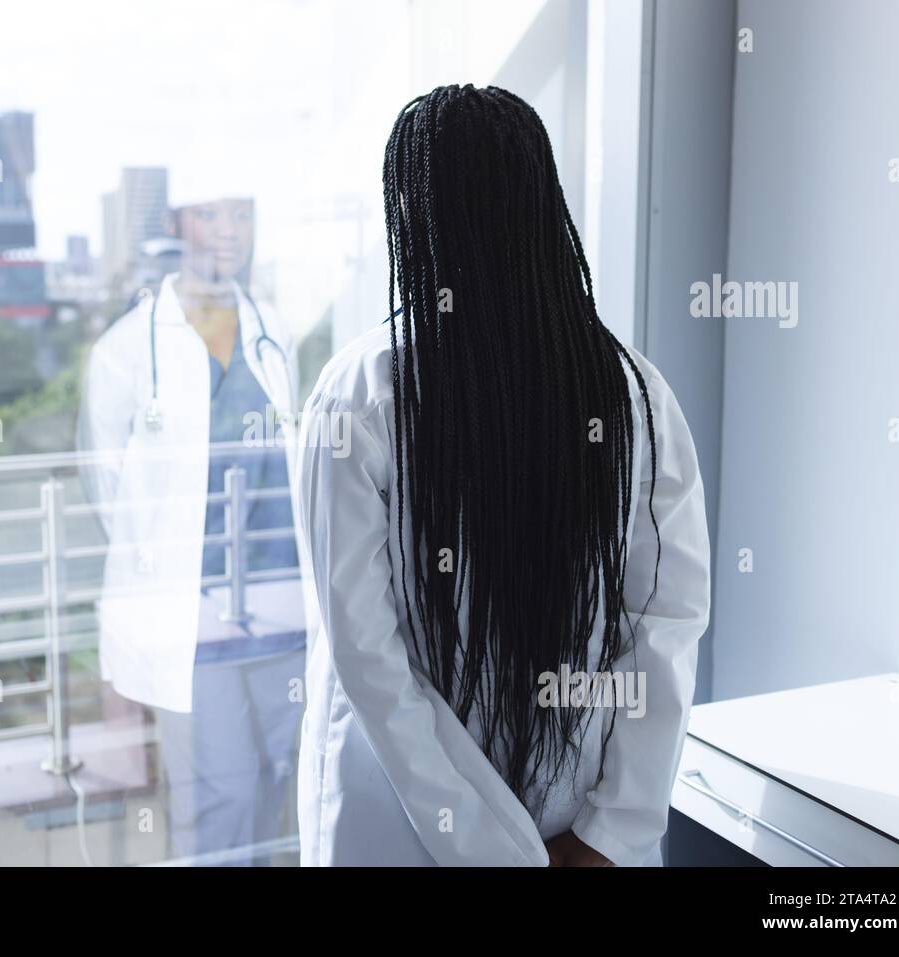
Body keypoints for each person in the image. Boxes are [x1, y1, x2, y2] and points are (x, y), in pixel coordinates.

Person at [293, 85, 712, 867]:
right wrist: (609, 831)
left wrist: (491, 850)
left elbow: (367, 656)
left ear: (410, 216)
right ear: (542, 205)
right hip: (580, 821)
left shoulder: (362, 392)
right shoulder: (632, 391)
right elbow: (669, 622)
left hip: (405, 827)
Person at [80, 196, 306, 864]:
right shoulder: (128, 347)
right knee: (219, 801)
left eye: (242, 214)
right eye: (212, 215)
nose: (231, 232)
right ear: (177, 224)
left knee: (277, 786)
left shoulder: (275, 331)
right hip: (192, 617)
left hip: (281, 604)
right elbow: (106, 482)